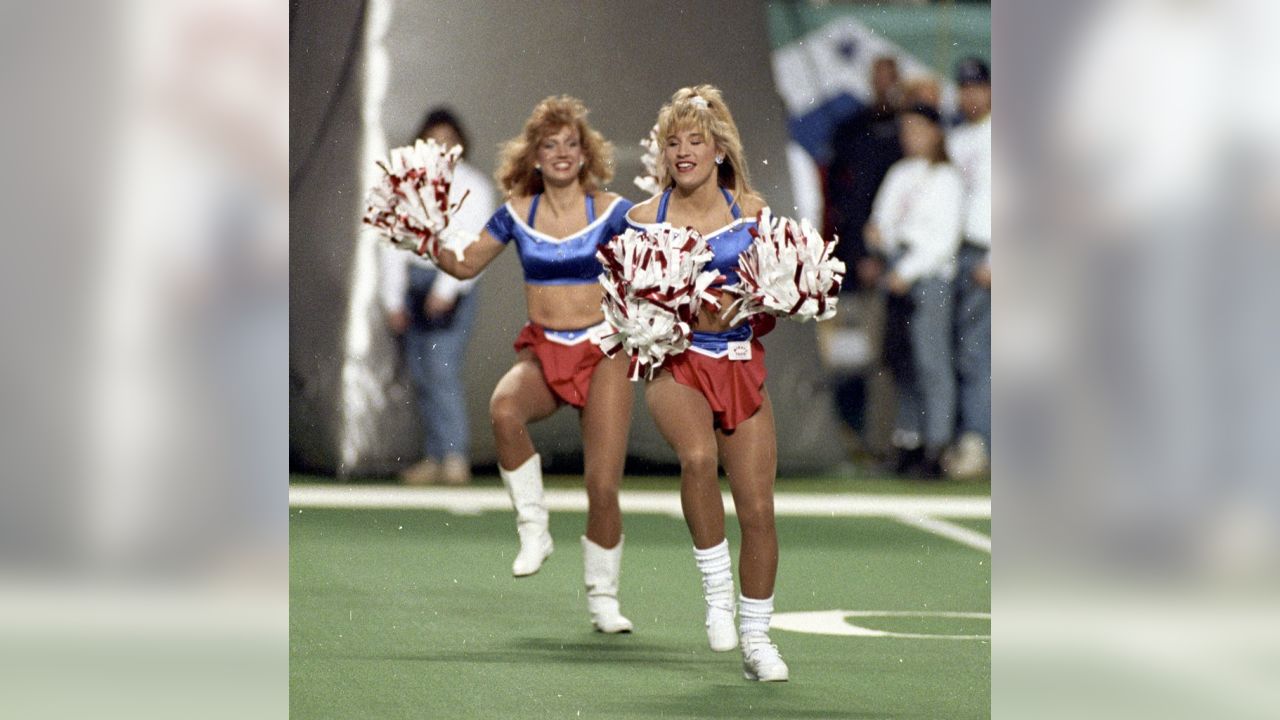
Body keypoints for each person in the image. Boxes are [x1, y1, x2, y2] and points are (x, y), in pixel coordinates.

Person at [426, 96, 636, 633]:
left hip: (603, 351)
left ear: (585, 154)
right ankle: (533, 527)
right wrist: (424, 235)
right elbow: (466, 263)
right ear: (535, 157)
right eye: (550, 145)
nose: (562, 154)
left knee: (603, 486)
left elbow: (654, 262)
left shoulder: (611, 210)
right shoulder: (516, 211)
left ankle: (603, 598)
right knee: (503, 409)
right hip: (547, 349)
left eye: (572, 144)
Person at [626, 85, 789, 681]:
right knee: (696, 458)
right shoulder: (644, 219)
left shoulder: (751, 212)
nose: (683, 151)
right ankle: (717, 594)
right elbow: (624, 298)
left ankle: (758, 639)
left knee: (758, 508)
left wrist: (771, 300)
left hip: (741, 363)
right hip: (680, 362)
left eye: (695, 140)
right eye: (673, 142)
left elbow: (774, 301)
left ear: (719, 149)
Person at [381, 108, 495, 486]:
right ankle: (435, 454)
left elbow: (472, 243)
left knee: (442, 369)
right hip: (414, 282)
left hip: (452, 283)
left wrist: (446, 289)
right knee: (421, 372)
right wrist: (394, 299)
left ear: (460, 145)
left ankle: (455, 457)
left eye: (449, 140)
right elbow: (393, 244)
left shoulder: (474, 186)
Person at [865, 103, 965, 478]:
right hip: (897, 269)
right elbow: (884, 220)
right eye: (905, 130)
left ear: (934, 132)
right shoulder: (900, 173)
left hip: (927, 276)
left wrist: (906, 270)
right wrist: (880, 238)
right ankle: (909, 439)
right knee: (901, 363)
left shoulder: (946, 178)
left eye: (916, 129)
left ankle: (937, 444)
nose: (909, 137)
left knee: (931, 361)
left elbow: (942, 238)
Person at [945, 57, 992, 478]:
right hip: (956, 252)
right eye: (964, 87)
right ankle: (968, 439)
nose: (970, 95)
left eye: (978, 87)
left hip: (988, 251)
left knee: (980, 350)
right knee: (962, 350)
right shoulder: (957, 138)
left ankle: (980, 441)